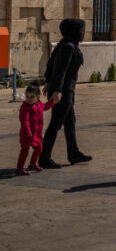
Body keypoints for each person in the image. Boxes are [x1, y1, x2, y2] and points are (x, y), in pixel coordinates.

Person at [39, 18, 92, 168]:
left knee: (70, 122)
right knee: (56, 124)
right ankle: (44, 157)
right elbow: (61, 69)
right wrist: (57, 90)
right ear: (73, 31)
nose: (82, 33)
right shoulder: (68, 47)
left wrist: (49, 81)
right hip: (64, 92)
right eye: (81, 30)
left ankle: (73, 153)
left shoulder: (65, 44)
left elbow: (51, 63)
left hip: (66, 90)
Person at [17, 83, 56, 175]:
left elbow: (45, 107)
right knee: (25, 150)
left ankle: (32, 164)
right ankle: (19, 168)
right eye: (27, 96)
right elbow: (24, 121)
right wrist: (27, 131)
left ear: (38, 97)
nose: (29, 99)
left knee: (39, 148)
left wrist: (53, 102)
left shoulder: (39, 105)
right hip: (27, 134)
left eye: (32, 96)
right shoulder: (25, 107)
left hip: (36, 134)